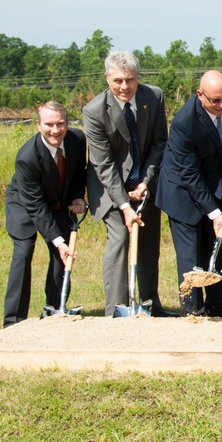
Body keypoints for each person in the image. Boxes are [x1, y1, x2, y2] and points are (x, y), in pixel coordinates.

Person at [83, 51, 171, 316]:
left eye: (130, 80)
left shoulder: (153, 97)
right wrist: (124, 204)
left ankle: (149, 305)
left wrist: (146, 181)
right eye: (118, 80)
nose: (124, 87)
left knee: (148, 244)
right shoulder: (95, 111)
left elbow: (159, 143)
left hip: (146, 181)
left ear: (138, 77)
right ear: (108, 78)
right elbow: (104, 164)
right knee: (120, 239)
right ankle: (116, 310)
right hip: (110, 187)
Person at [155, 70, 222, 317]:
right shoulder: (185, 121)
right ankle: (192, 311)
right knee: (191, 257)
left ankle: (219, 308)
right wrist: (215, 213)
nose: (221, 105)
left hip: (214, 184)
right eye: (215, 100)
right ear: (200, 95)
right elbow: (189, 175)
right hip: (182, 191)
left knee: (217, 248)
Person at [3, 102, 87, 327]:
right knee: (24, 252)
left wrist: (78, 197)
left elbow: (79, 172)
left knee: (62, 256)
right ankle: (13, 321)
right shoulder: (27, 157)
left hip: (58, 203)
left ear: (68, 124)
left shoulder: (77, 140)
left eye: (60, 123)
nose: (55, 130)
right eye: (49, 124)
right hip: (25, 205)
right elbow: (36, 206)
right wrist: (58, 241)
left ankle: (53, 310)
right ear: (39, 125)